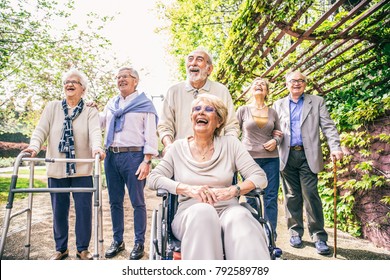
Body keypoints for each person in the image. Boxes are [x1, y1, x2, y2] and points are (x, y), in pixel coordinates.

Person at [147, 94, 270, 260]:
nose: (201, 113)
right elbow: (153, 178)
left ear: (219, 121)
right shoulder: (177, 148)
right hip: (190, 213)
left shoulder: (231, 144)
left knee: (240, 217)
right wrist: (187, 189)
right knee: (203, 212)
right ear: (191, 118)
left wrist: (234, 190)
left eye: (208, 109)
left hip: (228, 209)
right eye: (197, 109)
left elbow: (259, 176)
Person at [22, 69, 105, 260]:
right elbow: (41, 130)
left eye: (74, 82)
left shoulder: (90, 110)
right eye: (67, 81)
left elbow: (95, 133)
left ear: (82, 89)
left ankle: (82, 249)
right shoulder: (52, 107)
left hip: (81, 170)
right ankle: (61, 248)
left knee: (84, 212)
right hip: (57, 169)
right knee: (59, 211)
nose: (70, 84)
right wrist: (34, 147)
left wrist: (97, 149)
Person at [273, 70, 344, 255]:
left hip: (308, 155)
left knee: (311, 195)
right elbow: (275, 130)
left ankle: (319, 236)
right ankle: (295, 232)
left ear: (305, 84)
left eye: (300, 80)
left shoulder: (317, 101)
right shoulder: (278, 104)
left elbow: (328, 126)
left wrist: (335, 146)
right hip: (286, 155)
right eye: (292, 81)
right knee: (291, 196)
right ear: (286, 84)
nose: (296, 83)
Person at [100, 66, 158, 260]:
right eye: (118, 77)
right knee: (114, 201)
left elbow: (150, 134)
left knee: (137, 202)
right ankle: (118, 240)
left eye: (125, 76)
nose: (121, 79)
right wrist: (90, 109)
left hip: (134, 157)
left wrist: (147, 160)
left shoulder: (145, 104)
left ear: (135, 81)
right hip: (111, 156)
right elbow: (100, 123)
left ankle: (139, 242)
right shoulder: (111, 103)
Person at [157, 47, 239, 155]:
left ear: (209, 69)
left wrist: (227, 148)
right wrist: (168, 145)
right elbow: (165, 126)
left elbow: (231, 126)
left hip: (215, 156)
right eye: (190, 59)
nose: (193, 63)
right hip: (182, 156)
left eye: (199, 60)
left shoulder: (221, 91)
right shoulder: (173, 91)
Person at [236, 77, 282, 237]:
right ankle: (255, 234)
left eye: (262, 84)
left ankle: (270, 234)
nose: (259, 85)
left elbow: (279, 134)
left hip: (271, 159)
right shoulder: (243, 110)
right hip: (248, 159)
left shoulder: (273, 112)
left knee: (270, 196)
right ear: (250, 90)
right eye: (255, 84)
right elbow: (233, 132)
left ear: (267, 91)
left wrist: (275, 141)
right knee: (251, 196)